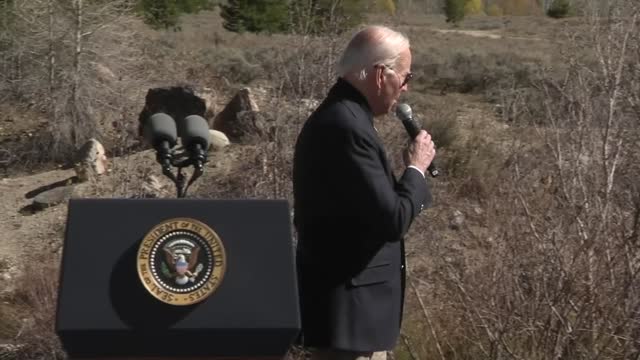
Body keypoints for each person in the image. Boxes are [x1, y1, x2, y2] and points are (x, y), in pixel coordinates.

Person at [292, 25, 436, 360]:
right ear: (379, 74)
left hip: (356, 322)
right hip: (351, 323)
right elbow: (392, 220)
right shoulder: (346, 128)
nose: (406, 86)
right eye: (405, 75)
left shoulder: (345, 117)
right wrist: (415, 169)